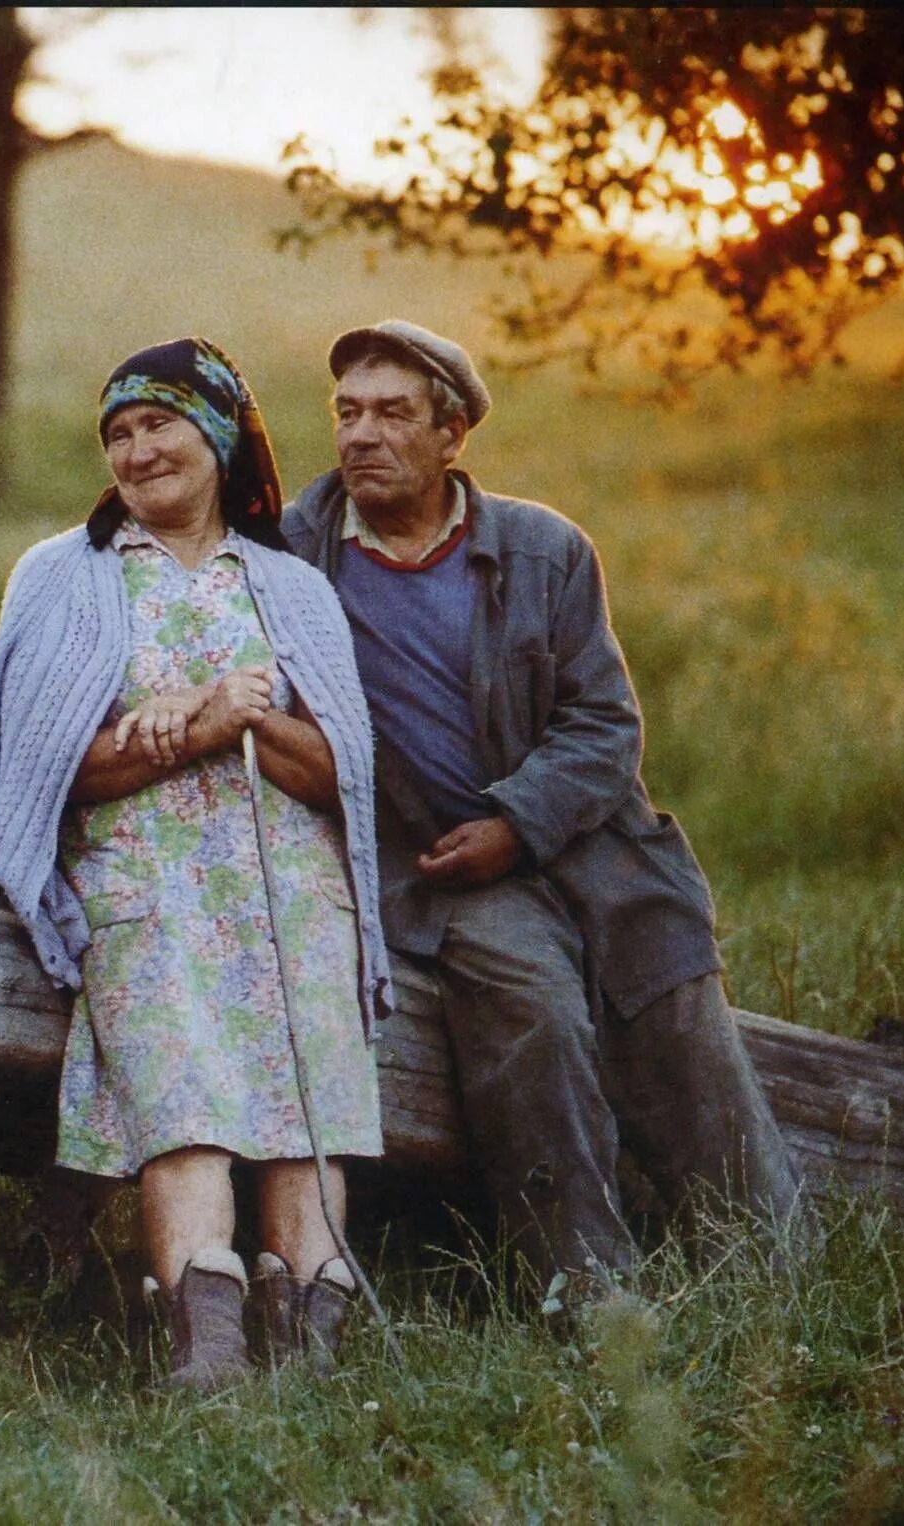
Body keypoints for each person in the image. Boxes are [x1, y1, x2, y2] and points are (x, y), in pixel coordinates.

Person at [280, 319, 804, 1299]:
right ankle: (582, 1285)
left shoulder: (542, 549)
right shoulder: (293, 557)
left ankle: (771, 1270)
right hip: (432, 867)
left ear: (451, 436)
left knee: (671, 993)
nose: (360, 435)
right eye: (346, 412)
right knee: (531, 1004)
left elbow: (603, 724)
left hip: (585, 847)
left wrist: (516, 822)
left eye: (393, 413)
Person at [0, 338, 389, 1391]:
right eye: (116, 433)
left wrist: (246, 712)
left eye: (157, 423)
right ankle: (207, 1358)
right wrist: (204, 723)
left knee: (308, 1115)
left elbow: (345, 775)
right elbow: (41, 772)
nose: (137, 449)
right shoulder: (65, 575)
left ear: (215, 434)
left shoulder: (288, 586)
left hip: (292, 892)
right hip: (147, 891)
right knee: (180, 1108)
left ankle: (311, 1352)